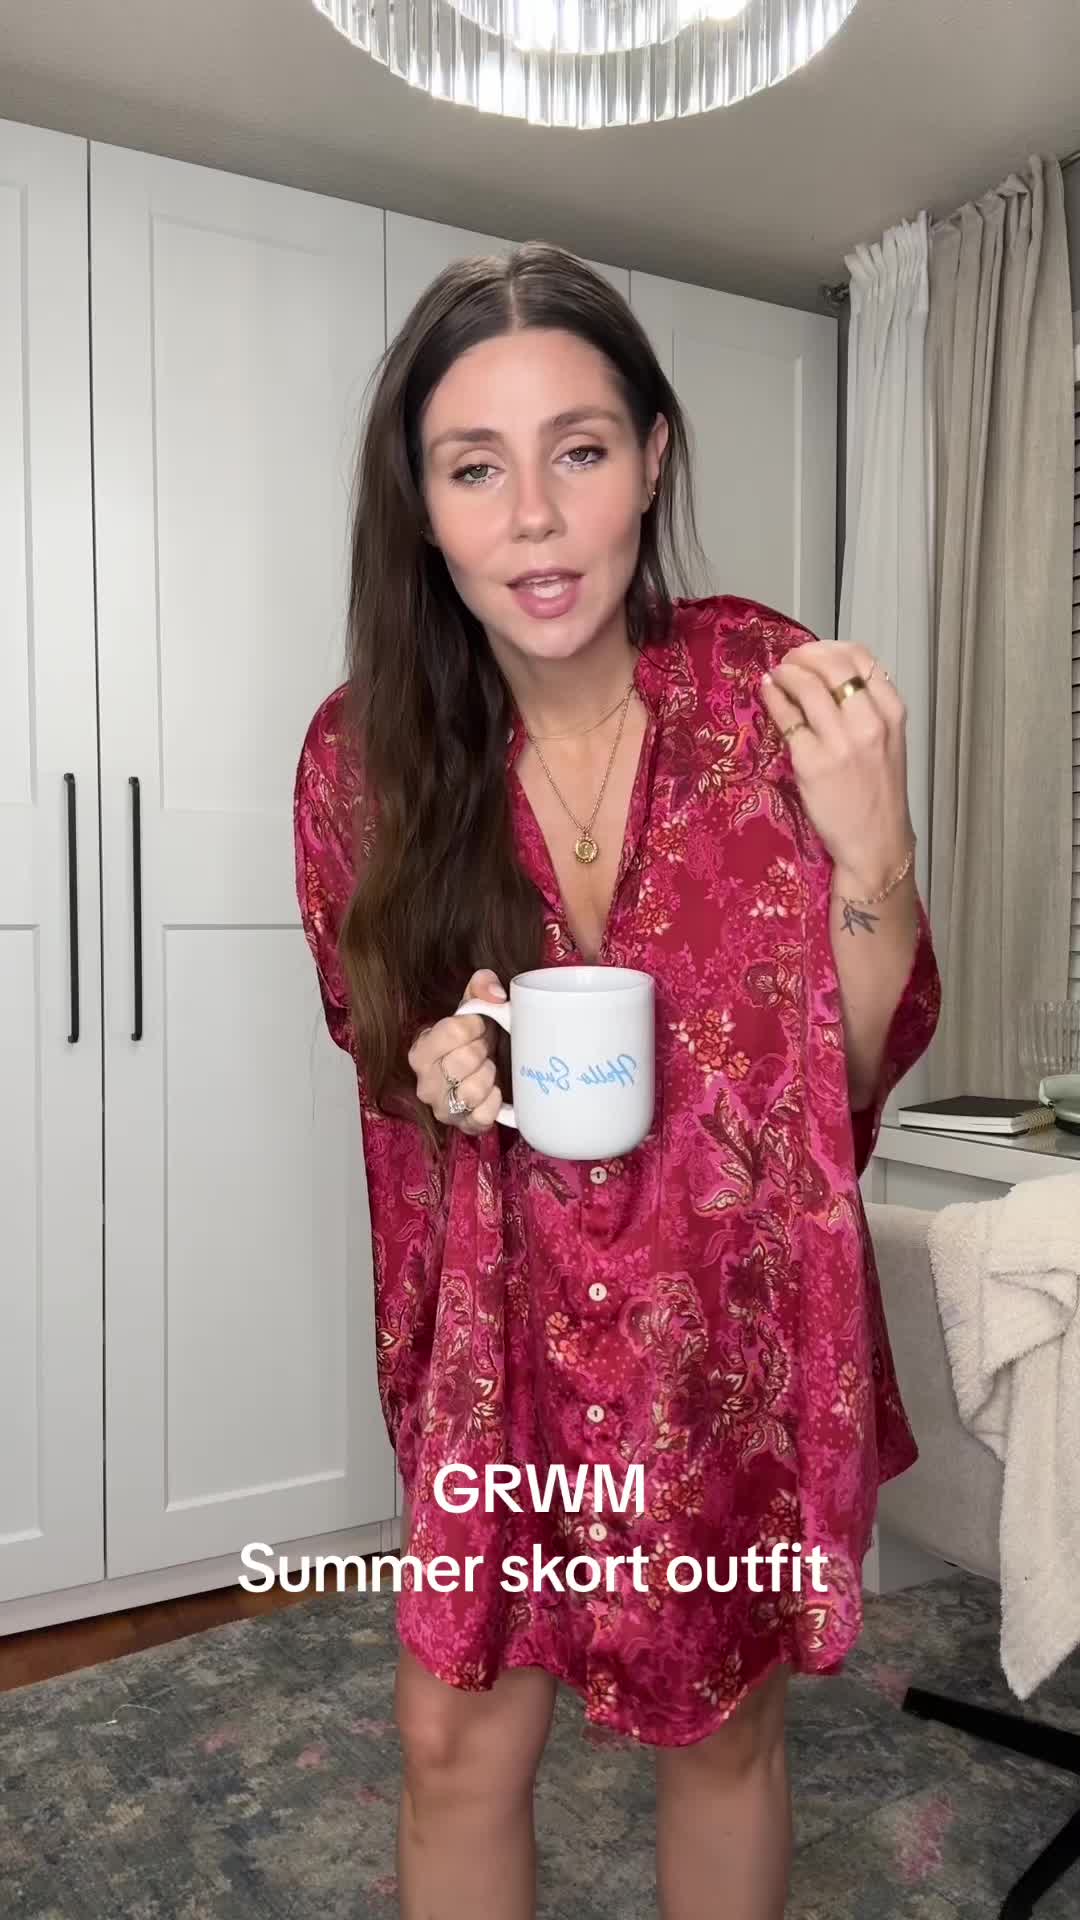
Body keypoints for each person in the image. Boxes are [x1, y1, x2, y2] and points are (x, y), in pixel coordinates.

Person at [292, 241, 941, 1920]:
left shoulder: (773, 697)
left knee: (721, 1736)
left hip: (724, 1334)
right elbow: (386, 1060)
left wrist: (876, 852)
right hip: (500, 1349)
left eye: (577, 450)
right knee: (452, 1743)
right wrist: (438, 1071)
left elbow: (845, 1079)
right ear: (422, 506)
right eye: (474, 468)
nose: (534, 519)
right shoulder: (360, 765)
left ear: (651, 458)